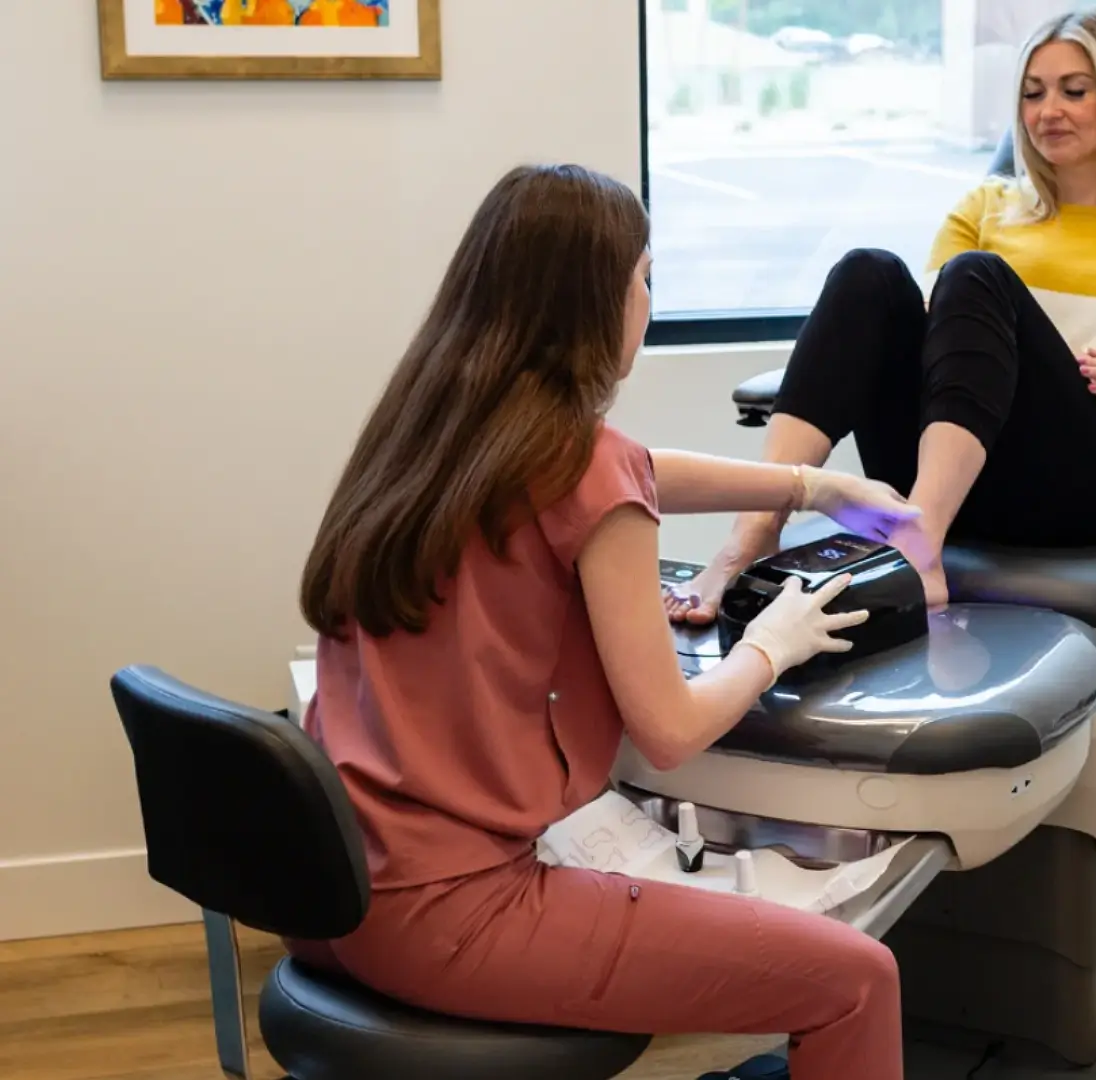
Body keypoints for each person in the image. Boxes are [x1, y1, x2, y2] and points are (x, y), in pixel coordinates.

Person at [286, 163, 922, 1080]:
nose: (650, 305)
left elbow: (634, 468)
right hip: (453, 915)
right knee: (858, 977)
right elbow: (670, 731)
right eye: (646, 279)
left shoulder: (427, 426)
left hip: (338, 892)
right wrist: (769, 644)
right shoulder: (582, 467)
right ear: (596, 302)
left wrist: (812, 483)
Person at [666, 7, 1096, 620]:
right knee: (869, 271)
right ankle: (753, 530)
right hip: (950, 470)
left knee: (977, 274)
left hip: (1081, 487)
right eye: (1033, 93)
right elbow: (929, 334)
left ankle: (917, 542)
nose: (1048, 111)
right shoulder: (988, 205)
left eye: (1073, 89)